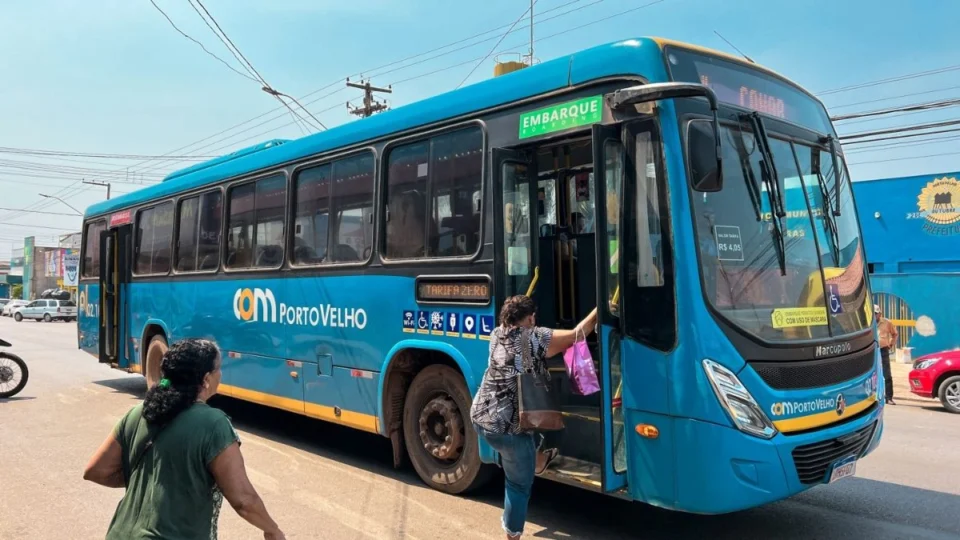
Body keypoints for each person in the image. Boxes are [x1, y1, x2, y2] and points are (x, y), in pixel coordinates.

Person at [83, 339, 285, 540]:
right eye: (219, 369)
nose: (220, 375)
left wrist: (150, 482)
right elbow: (244, 501)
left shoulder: (138, 413)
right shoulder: (213, 424)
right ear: (206, 378)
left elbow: (96, 471)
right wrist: (272, 530)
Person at [471, 295, 598, 540]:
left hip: (480, 417)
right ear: (530, 318)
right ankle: (512, 534)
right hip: (507, 429)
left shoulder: (497, 333)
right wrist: (599, 309)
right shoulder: (534, 337)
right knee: (519, 485)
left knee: (521, 449)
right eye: (533, 316)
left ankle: (537, 459)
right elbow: (576, 334)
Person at [876, 304, 898, 405]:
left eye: (876, 313)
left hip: (883, 350)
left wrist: (891, 344)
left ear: (880, 313)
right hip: (872, 351)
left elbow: (895, 334)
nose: (874, 315)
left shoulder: (887, 322)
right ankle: (874, 396)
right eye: (873, 313)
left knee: (887, 374)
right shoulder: (867, 322)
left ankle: (889, 397)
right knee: (872, 375)